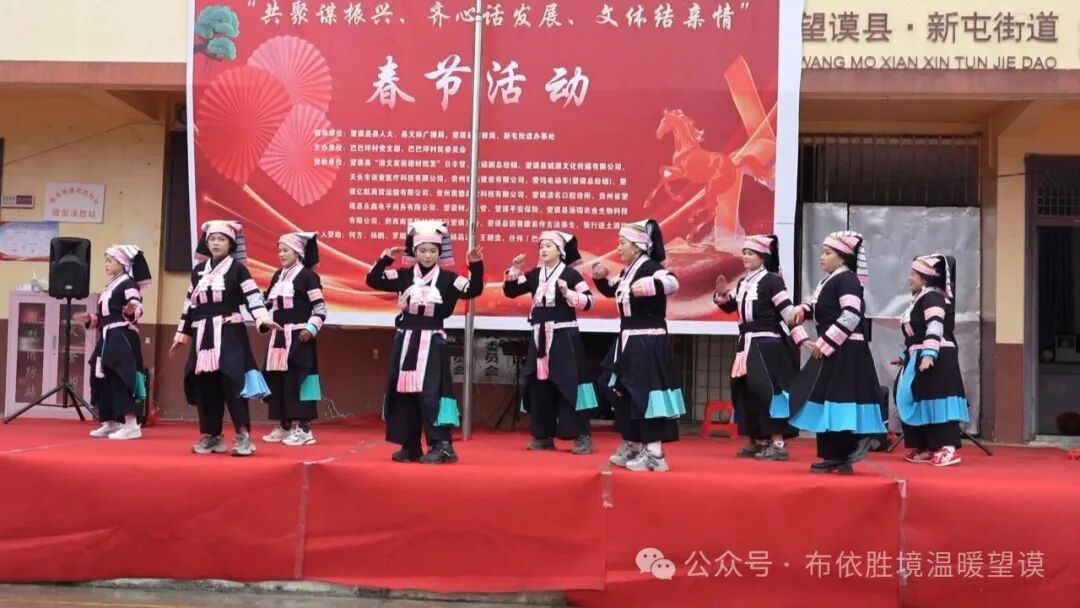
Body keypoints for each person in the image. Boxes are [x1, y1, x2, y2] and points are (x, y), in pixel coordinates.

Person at [366, 221, 484, 464]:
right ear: (415, 252)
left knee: (432, 392)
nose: (427, 255)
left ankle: (442, 445)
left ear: (440, 253)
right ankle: (410, 444)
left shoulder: (449, 279)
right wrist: (386, 257)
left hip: (432, 342)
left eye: (432, 251)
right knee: (404, 391)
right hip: (406, 339)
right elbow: (373, 280)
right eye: (422, 250)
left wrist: (475, 264)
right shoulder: (403, 275)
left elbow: (473, 289)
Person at [170, 220, 278, 456]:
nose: (216, 243)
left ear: (231, 244)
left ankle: (243, 436)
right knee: (205, 384)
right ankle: (212, 436)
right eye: (212, 239)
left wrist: (262, 319)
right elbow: (189, 304)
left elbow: (252, 297)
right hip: (203, 334)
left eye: (221, 239)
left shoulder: (238, 269)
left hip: (229, 332)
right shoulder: (199, 271)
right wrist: (182, 334)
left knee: (233, 382)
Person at [786, 230, 886, 474]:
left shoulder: (847, 280)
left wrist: (826, 342)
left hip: (844, 350)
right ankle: (839, 453)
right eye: (822, 252)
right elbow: (825, 308)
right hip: (837, 348)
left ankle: (842, 451)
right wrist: (803, 310)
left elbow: (851, 315)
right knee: (829, 399)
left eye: (828, 252)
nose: (822, 257)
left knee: (837, 399)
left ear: (842, 257)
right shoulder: (832, 280)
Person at [592, 219, 685, 472]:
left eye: (622, 243)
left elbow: (672, 282)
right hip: (628, 338)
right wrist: (600, 278)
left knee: (647, 394)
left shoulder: (651, 267)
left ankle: (655, 453)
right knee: (615, 388)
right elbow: (613, 289)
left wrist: (648, 286)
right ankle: (633, 442)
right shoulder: (628, 271)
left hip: (647, 339)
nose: (619, 248)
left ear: (638, 245)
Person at [503, 230, 598, 455]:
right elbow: (511, 291)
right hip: (539, 336)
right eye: (541, 246)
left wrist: (568, 294)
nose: (543, 250)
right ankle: (543, 435)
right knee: (539, 384)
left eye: (548, 246)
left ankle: (582, 435)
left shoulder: (572, 275)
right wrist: (515, 269)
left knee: (569, 383)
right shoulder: (535, 275)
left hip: (564, 335)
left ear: (560, 251)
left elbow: (589, 302)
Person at [714, 234, 803, 461]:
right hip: (746, 343)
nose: (745, 257)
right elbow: (732, 306)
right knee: (746, 391)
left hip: (766, 344)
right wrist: (722, 296)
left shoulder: (772, 281)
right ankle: (759, 439)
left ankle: (778, 442)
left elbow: (787, 312)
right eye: (744, 253)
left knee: (768, 392)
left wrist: (801, 336)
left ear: (763, 257)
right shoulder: (744, 282)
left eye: (750, 253)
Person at [893, 254, 968, 467]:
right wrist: (905, 356)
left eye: (913, 275)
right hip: (922, 354)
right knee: (917, 397)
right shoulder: (920, 298)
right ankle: (925, 446)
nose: (909, 278)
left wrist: (928, 354)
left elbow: (935, 325)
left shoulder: (933, 297)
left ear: (925, 279)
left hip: (938, 356)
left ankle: (947, 447)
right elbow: (916, 335)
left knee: (938, 399)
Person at [260, 232, 328, 447]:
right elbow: (266, 304)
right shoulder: (277, 276)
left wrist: (310, 329)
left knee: (300, 379)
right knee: (278, 380)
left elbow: (320, 309)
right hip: (278, 338)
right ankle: (284, 425)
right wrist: (261, 315)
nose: (281, 254)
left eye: (285, 250)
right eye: (279, 250)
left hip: (300, 338)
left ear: (298, 252)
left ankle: (305, 429)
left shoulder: (309, 276)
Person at [82, 245, 152, 440]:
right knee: (100, 376)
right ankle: (110, 421)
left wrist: (132, 311)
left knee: (121, 375)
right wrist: (90, 319)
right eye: (105, 260)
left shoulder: (128, 284)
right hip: (108, 335)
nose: (106, 264)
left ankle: (131, 424)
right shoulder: (110, 286)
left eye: (110, 260)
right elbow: (104, 316)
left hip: (122, 335)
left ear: (122, 263)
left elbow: (136, 306)